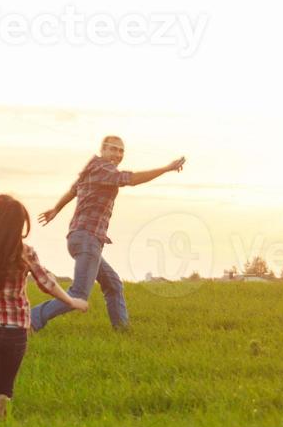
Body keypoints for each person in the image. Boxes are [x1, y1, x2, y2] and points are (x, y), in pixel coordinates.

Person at [0, 195, 89, 419]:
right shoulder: (26, 252)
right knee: (6, 390)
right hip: (18, 332)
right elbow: (47, 283)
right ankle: (1, 415)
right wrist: (72, 301)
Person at [31, 136, 186, 332]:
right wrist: (166, 168)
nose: (117, 155)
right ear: (102, 150)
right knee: (78, 295)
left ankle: (122, 331)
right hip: (87, 238)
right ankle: (32, 318)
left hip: (82, 237)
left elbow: (73, 191)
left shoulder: (91, 168)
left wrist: (55, 209)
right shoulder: (104, 169)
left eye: (121, 151)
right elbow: (130, 179)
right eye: (113, 149)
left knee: (113, 284)